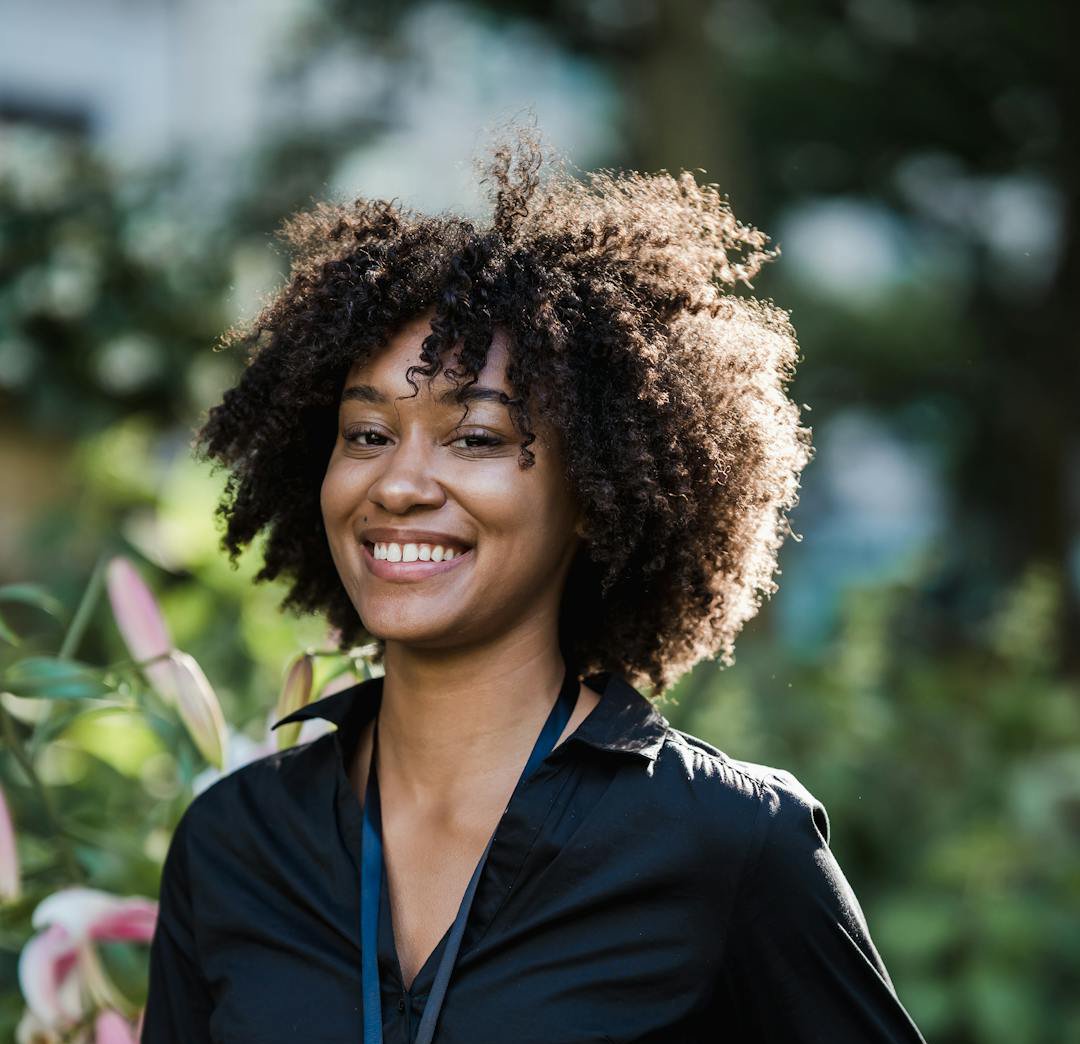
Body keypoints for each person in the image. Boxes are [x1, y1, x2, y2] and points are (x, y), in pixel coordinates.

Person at [141, 127, 928, 1043]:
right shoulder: (234, 842)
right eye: (365, 434)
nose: (396, 483)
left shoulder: (730, 841)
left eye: (474, 438)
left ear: (594, 493)